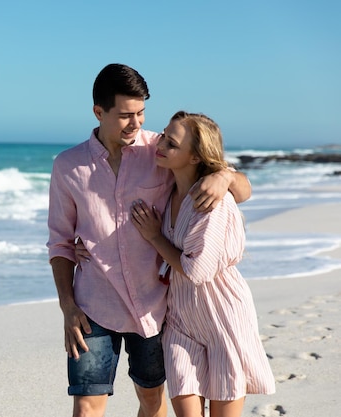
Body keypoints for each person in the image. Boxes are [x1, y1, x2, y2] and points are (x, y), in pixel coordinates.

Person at [47, 63, 252, 417]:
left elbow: (234, 184)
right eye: (126, 115)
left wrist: (224, 176)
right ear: (99, 111)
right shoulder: (68, 166)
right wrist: (67, 305)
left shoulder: (159, 151)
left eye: (142, 113)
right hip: (93, 305)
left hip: (154, 308)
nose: (137, 123)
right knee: (86, 408)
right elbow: (60, 244)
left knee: (152, 402)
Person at [130, 111, 275, 417]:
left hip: (223, 315)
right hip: (181, 318)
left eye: (172, 142)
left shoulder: (211, 201)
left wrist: (156, 238)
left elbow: (197, 270)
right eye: (163, 136)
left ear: (194, 157)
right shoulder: (167, 192)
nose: (161, 144)